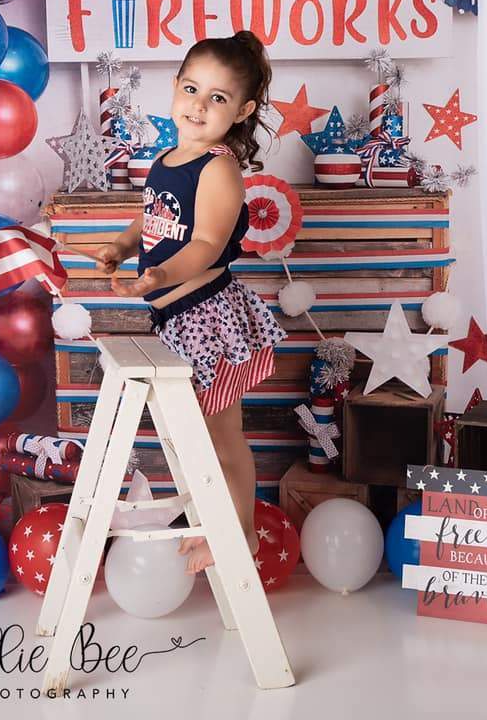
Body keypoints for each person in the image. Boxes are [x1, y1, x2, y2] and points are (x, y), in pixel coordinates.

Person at [94, 31, 286, 575]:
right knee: (192, 437)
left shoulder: (219, 169)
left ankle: (240, 531)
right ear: (175, 89)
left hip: (209, 318)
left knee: (223, 438)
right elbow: (152, 217)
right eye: (191, 88)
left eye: (218, 98)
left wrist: (153, 276)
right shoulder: (168, 158)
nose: (198, 106)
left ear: (243, 110)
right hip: (174, 317)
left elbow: (203, 247)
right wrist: (123, 246)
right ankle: (216, 521)